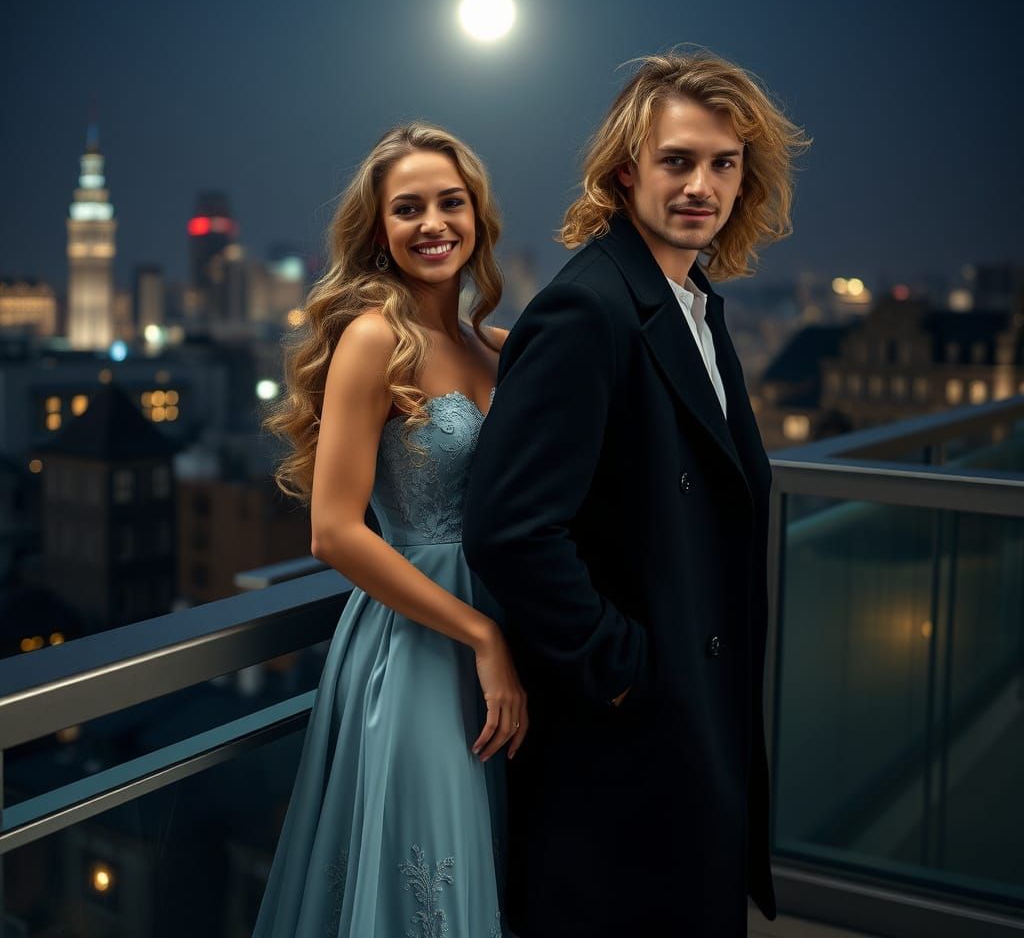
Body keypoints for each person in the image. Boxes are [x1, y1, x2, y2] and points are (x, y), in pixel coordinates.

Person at [463, 50, 810, 936]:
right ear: (626, 171)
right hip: (623, 748)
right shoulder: (590, 308)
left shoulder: (690, 301)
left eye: (724, 164)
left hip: (685, 730)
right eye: (677, 161)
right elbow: (509, 527)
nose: (703, 185)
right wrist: (626, 674)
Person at [255, 123, 526, 937]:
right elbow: (333, 533)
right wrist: (484, 637)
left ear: (477, 215)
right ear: (379, 230)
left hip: (506, 639)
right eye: (408, 208)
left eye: (451, 202)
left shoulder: (499, 349)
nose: (433, 223)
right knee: (425, 886)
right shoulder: (374, 340)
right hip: (416, 649)